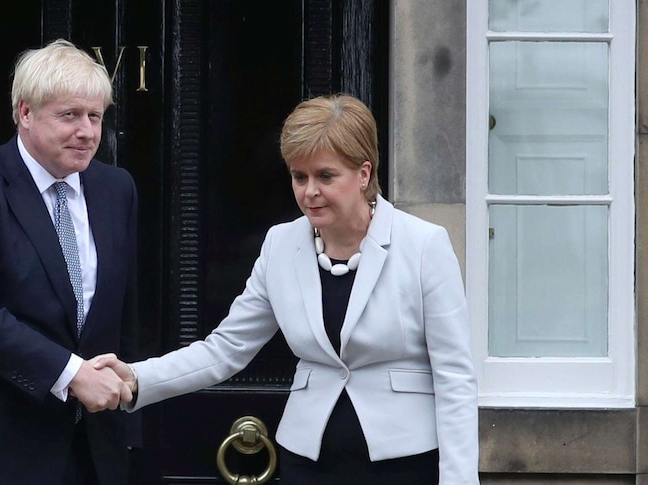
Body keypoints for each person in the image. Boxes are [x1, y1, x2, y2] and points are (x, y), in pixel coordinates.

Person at [95, 94, 479, 484]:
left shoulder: (424, 244)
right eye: (299, 176)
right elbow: (226, 349)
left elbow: (454, 376)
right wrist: (137, 378)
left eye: (325, 176)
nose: (309, 191)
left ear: (364, 174)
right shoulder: (281, 244)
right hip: (307, 462)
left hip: (404, 463)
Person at [0, 39, 140, 485]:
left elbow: (123, 314)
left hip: (93, 452)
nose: (87, 131)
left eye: (95, 116)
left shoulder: (116, 189)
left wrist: (127, 411)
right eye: (69, 115)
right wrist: (72, 374)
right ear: (25, 114)